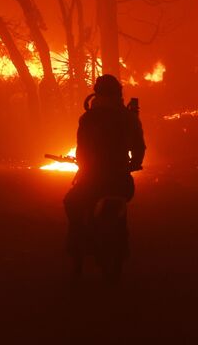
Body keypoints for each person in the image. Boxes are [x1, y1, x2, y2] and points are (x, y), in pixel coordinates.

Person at [64, 75, 145, 258]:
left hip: (92, 181)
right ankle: (122, 245)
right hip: (121, 182)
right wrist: (135, 163)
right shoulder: (128, 118)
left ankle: (77, 242)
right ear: (119, 93)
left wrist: (84, 167)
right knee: (122, 207)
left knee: (71, 202)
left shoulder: (87, 118)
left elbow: (82, 149)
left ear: (97, 93)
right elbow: (139, 147)